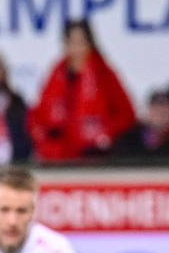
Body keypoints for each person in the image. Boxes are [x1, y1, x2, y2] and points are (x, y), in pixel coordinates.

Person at [30, 19, 136, 159]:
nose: (76, 48)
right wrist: (45, 136)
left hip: (93, 156)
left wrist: (103, 132)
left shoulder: (103, 73)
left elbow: (127, 114)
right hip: (58, 157)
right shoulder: (57, 73)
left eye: (81, 42)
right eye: (71, 42)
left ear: (90, 43)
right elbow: (39, 114)